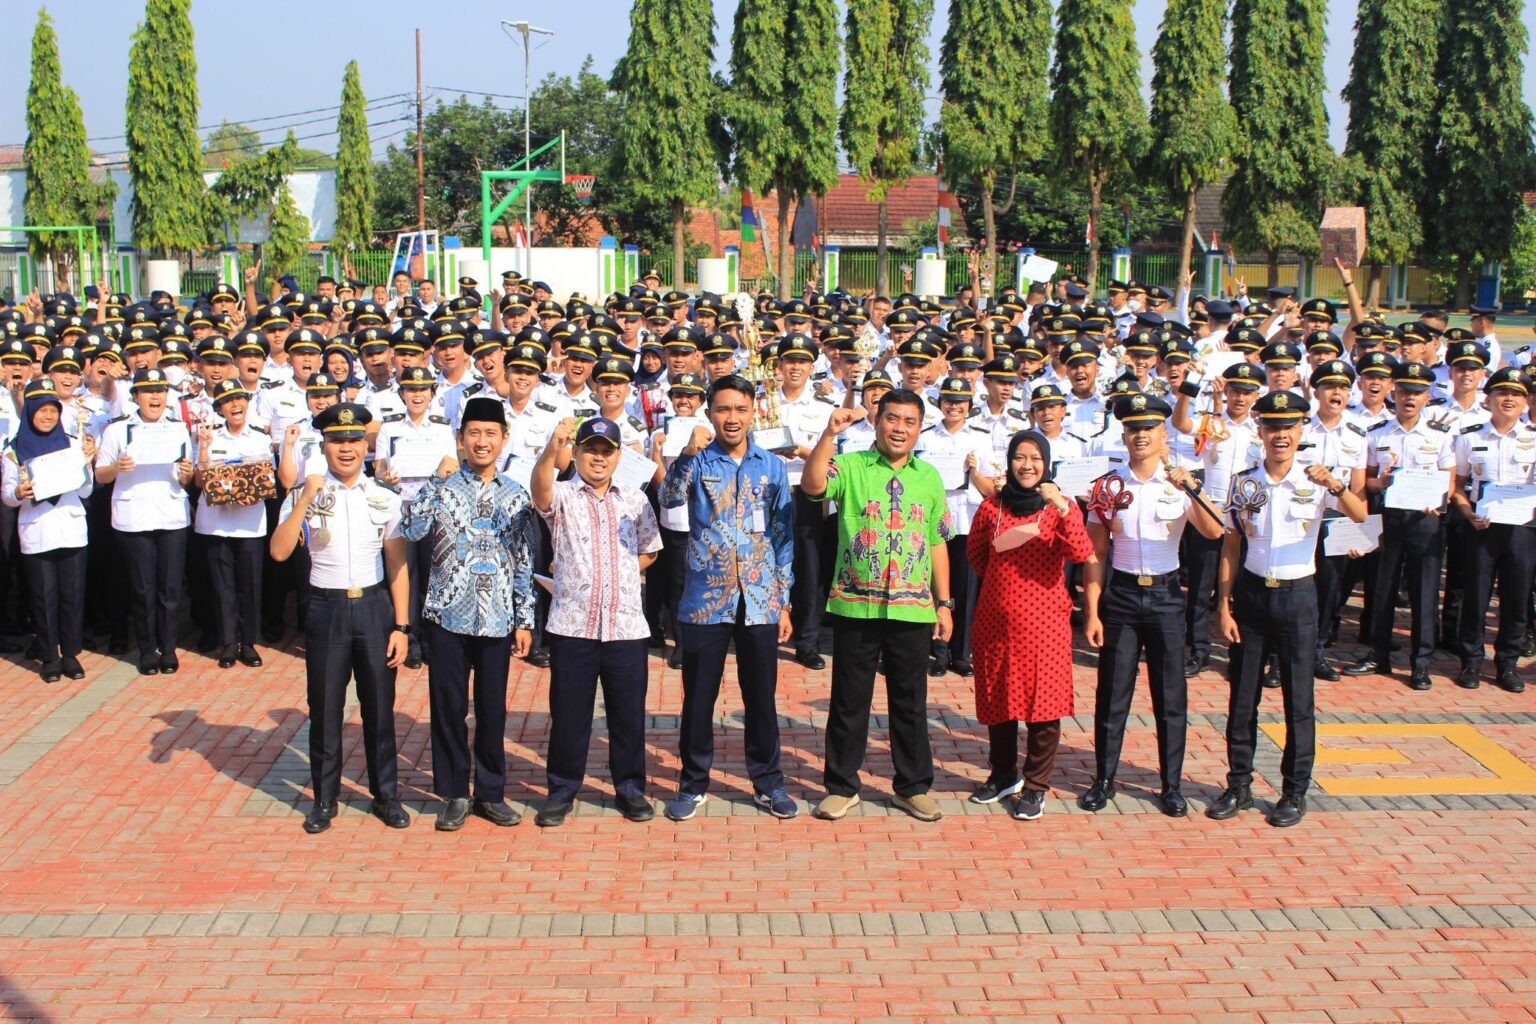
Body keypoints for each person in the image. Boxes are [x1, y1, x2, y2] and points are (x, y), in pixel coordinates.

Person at [1209, 390, 1368, 828]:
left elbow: (1358, 514)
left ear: (1301, 431)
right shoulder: (1245, 481)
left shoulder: (1316, 477)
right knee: (1242, 698)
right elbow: (1231, 544)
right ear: (1259, 431)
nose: (1280, 435)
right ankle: (1238, 784)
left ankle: (1294, 791)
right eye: (1272, 427)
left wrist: (1335, 485)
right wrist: (1223, 605)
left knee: (1299, 700)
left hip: (1298, 597)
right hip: (1253, 595)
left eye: (1289, 427)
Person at [801, 389, 956, 823]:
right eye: (892, 419)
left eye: (909, 421)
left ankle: (912, 787)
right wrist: (828, 434)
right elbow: (813, 486)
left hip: (913, 608)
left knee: (909, 701)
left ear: (919, 427)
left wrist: (944, 603)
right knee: (850, 700)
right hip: (856, 604)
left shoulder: (929, 477)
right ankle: (841, 785)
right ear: (877, 421)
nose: (899, 428)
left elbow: (938, 540)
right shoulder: (850, 466)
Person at [658, 375, 797, 821]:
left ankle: (768, 783)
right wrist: (684, 456)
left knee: (761, 696)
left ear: (754, 410)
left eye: (739, 409)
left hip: (758, 599)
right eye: (722, 409)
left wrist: (784, 600)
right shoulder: (697, 462)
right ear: (709, 413)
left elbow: (782, 537)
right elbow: (668, 499)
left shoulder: (771, 466)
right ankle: (693, 783)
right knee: (698, 696)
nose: (731, 418)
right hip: (705, 599)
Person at [1081, 394, 1226, 817]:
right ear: (1123, 434)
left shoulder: (1179, 482)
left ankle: (1171, 784)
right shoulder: (1109, 485)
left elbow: (1215, 531)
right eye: (1132, 428)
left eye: (1149, 428)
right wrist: (1092, 610)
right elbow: (1096, 553)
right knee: (1112, 692)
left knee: (1170, 695)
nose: (1140, 435)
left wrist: (1192, 490)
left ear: (1164, 434)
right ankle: (1103, 778)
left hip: (1165, 596)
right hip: (1122, 595)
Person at [270, 403, 411, 835]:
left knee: (379, 711)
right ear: (324, 445)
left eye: (354, 440)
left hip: (373, 609)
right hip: (325, 609)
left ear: (365, 446)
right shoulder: (305, 494)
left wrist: (402, 627)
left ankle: (386, 795)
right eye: (337, 441)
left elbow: (398, 565)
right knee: (326, 710)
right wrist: (306, 498)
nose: (346, 449)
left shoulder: (385, 497)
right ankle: (324, 800)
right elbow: (278, 551)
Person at [401, 396, 535, 831]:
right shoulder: (442, 488)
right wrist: (431, 484)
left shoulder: (516, 495)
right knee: (448, 707)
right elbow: (411, 528)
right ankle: (455, 792)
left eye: (490, 434)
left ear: (504, 439)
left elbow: (524, 560)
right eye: (473, 433)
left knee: (493, 709)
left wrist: (525, 618)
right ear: (460, 439)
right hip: (446, 616)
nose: (482, 442)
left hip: (497, 617)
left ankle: (491, 794)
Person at [529, 416, 662, 828]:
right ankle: (562, 791)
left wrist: (619, 572)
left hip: (625, 626)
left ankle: (630, 789)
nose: (598, 458)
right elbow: (539, 490)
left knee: (627, 716)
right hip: (573, 625)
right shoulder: (564, 495)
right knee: (570, 716)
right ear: (579, 453)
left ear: (618, 457)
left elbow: (650, 550)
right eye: (591, 450)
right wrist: (553, 449)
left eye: (607, 452)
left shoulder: (635, 500)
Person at [966, 429, 1092, 820]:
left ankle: (1036, 785)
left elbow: (1081, 551)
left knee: (1042, 704)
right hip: (996, 621)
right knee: (998, 698)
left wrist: (1064, 507)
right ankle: (1003, 773)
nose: (1027, 466)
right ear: (1009, 461)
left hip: (1044, 625)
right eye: (1020, 457)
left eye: (1036, 458)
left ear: (1047, 463)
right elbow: (977, 556)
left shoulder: (1059, 506)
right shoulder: (992, 507)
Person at [1344, 362, 1456, 689]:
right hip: (1388, 517)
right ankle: (1377, 654)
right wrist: (1382, 482)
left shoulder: (1439, 436)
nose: (1410, 398)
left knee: (1424, 591)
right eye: (1405, 391)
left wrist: (1438, 499)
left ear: (1427, 397)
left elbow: (1449, 481)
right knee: (1382, 588)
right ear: (1394, 392)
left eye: (1418, 393)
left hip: (1426, 520)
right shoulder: (1377, 433)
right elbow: (1365, 481)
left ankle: (1420, 661)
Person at [94, 368, 195, 675]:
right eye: (149, 391)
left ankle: (168, 647)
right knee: (142, 588)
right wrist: (117, 467)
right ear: (135, 396)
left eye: (161, 391)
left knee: (170, 588)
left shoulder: (177, 429)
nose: (155, 397)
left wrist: (187, 473)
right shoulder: (117, 430)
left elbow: (186, 477)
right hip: (134, 515)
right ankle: (147, 649)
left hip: (171, 514)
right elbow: (100, 475)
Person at [1, 380, 96, 682]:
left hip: (70, 529)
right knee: (43, 598)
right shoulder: (13, 451)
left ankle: (70, 654)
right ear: (29, 411)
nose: (47, 416)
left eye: (52, 410)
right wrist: (19, 492)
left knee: (72, 595)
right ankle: (48, 656)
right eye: (41, 410)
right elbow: (6, 495)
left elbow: (86, 491)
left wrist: (86, 465)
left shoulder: (72, 443)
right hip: (38, 531)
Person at [1450, 367, 1536, 692]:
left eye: (1516, 394)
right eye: (1502, 393)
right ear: (1489, 399)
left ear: (1526, 401)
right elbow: (1456, 486)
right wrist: (1467, 512)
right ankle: (1470, 661)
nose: (1509, 399)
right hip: (1480, 528)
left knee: (1516, 598)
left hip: (1523, 530)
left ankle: (1507, 664)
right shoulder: (1470, 438)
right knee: (1475, 596)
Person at [192, 380, 272, 669]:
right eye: (228, 401)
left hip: (249, 520)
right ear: (219, 408)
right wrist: (203, 450)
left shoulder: (260, 436)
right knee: (221, 583)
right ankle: (228, 642)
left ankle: (249, 641)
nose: (236, 405)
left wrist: (250, 492)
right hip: (216, 521)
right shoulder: (208, 437)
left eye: (240, 399)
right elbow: (199, 481)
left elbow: (267, 477)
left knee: (249, 583)